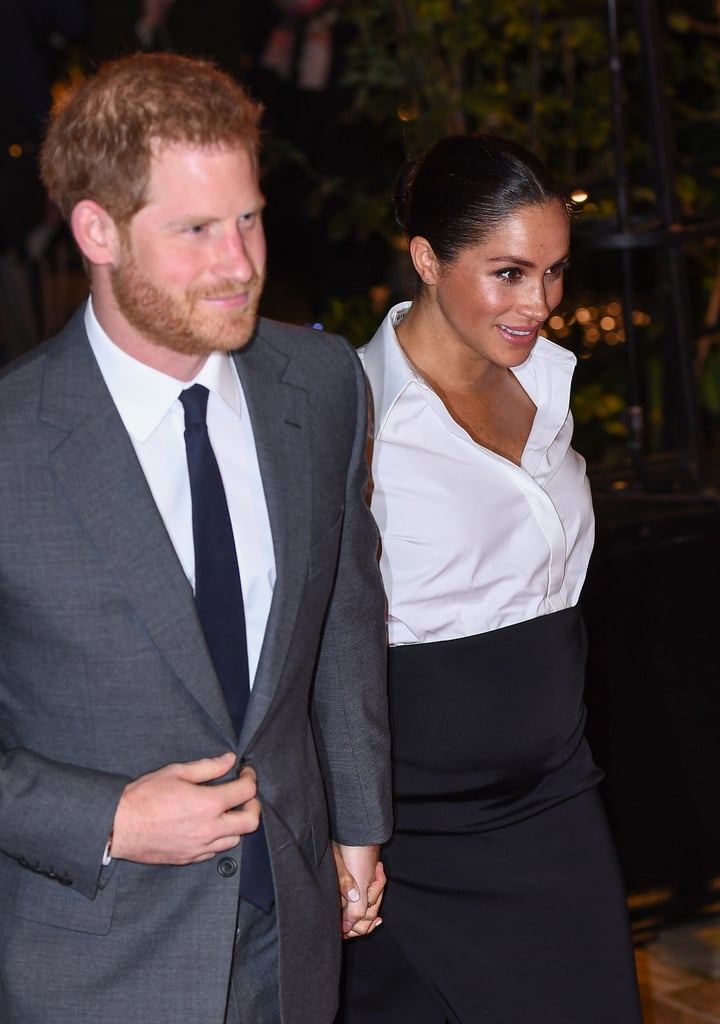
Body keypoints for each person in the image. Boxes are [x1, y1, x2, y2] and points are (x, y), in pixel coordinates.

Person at [0, 52, 391, 1024]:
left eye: (249, 217)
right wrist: (108, 817)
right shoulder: (10, 443)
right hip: (92, 962)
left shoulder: (323, 384)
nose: (239, 262)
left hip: (294, 930)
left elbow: (343, 614)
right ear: (96, 228)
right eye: (195, 230)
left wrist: (357, 821)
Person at [337, 134, 642, 1023]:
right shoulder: (352, 417)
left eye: (552, 273)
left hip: (557, 796)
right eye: (508, 272)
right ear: (426, 258)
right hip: (416, 833)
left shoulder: (547, 385)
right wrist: (340, 827)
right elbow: (310, 638)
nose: (540, 302)